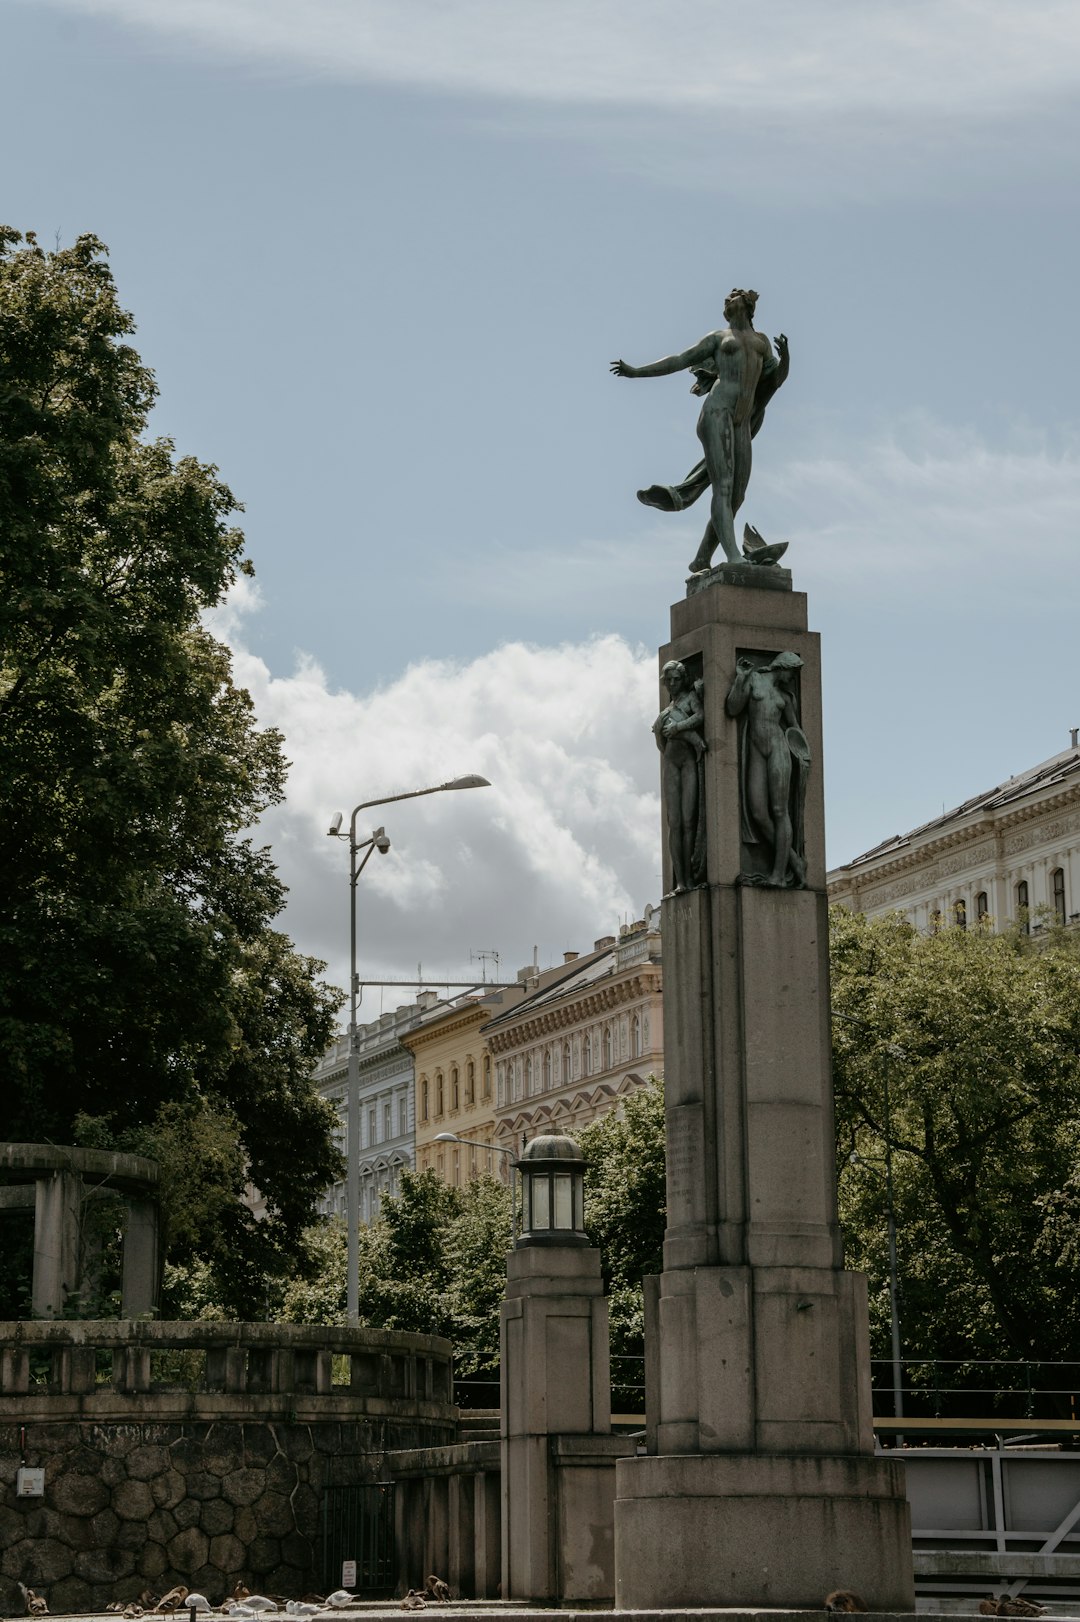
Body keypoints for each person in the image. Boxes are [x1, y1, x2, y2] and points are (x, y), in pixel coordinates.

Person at [611, 289, 788, 573]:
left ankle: (702, 557)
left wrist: (786, 359)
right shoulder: (719, 339)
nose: (727, 300)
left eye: (732, 296)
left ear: (746, 304)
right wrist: (636, 371)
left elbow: (774, 379)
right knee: (724, 486)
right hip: (717, 411)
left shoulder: (761, 342)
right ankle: (733, 557)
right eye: (726, 300)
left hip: (742, 420)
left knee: (737, 497)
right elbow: (680, 359)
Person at [724, 651, 809, 888]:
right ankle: (794, 861)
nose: (792, 678)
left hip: (778, 750)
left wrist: (802, 756)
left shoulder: (785, 697)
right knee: (759, 813)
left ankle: (779, 875)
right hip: (756, 751)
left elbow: (795, 730)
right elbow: (732, 708)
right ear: (783, 667)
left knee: (779, 811)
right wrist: (741, 678)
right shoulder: (753, 680)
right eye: (792, 672)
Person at [653, 660, 706, 891]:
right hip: (672, 765)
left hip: (688, 764)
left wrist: (678, 728)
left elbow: (701, 716)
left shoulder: (690, 698)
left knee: (688, 822)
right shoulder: (665, 712)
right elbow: (661, 743)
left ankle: (691, 878)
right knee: (674, 824)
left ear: (683, 679)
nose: (673, 684)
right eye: (669, 680)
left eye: (676, 679)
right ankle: (681, 880)